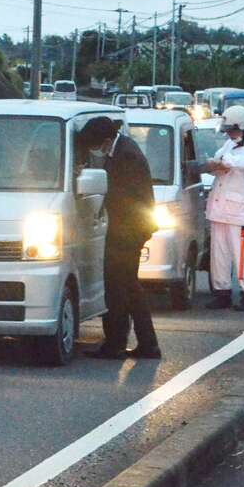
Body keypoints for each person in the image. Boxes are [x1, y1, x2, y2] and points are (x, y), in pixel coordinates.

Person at [78, 117, 161, 360]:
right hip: (131, 228)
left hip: (127, 231)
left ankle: (116, 343)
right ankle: (146, 343)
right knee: (129, 287)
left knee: (117, 287)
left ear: (104, 141)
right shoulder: (123, 148)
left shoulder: (126, 156)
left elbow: (121, 198)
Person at [202, 106, 244, 312]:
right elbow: (220, 160)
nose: (229, 134)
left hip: (239, 212)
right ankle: (222, 293)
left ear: (242, 126)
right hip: (220, 208)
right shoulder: (230, 143)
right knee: (219, 255)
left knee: (242, 256)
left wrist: (225, 162)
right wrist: (213, 165)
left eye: (231, 130)